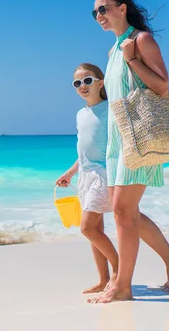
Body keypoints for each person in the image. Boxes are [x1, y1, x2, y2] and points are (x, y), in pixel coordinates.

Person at [89, 0, 169, 303]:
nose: (99, 15)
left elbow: (162, 86)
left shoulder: (140, 41)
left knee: (122, 211)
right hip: (119, 140)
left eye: (104, 9)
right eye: (95, 12)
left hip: (141, 137)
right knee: (126, 212)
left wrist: (133, 60)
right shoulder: (112, 50)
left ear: (122, 8)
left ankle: (123, 286)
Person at [56, 63, 119, 294]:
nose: (82, 86)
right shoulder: (81, 114)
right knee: (96, 230)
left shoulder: (110, 110)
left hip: (104, 175)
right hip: (85, 176)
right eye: (77, 83)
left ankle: (119, 271)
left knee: (87, 228)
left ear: (100, 83)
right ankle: (103, 279)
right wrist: (70, 172)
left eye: (88, 80)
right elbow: (84, 151)